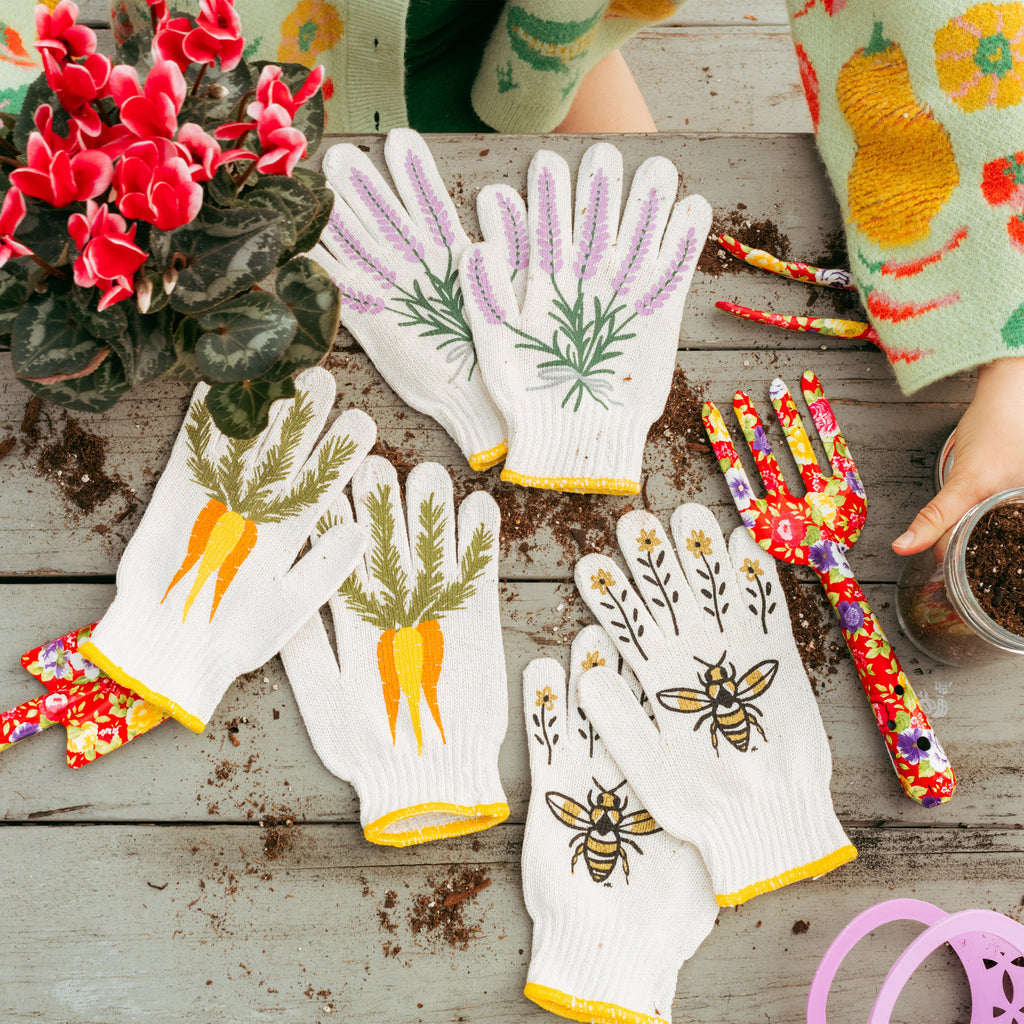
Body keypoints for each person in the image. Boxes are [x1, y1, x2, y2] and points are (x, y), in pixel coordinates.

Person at [2, 0, 1020, 561]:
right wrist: (54, 161)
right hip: (216, 89)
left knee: (632, 244)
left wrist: (1010, 343)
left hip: (518, 53)